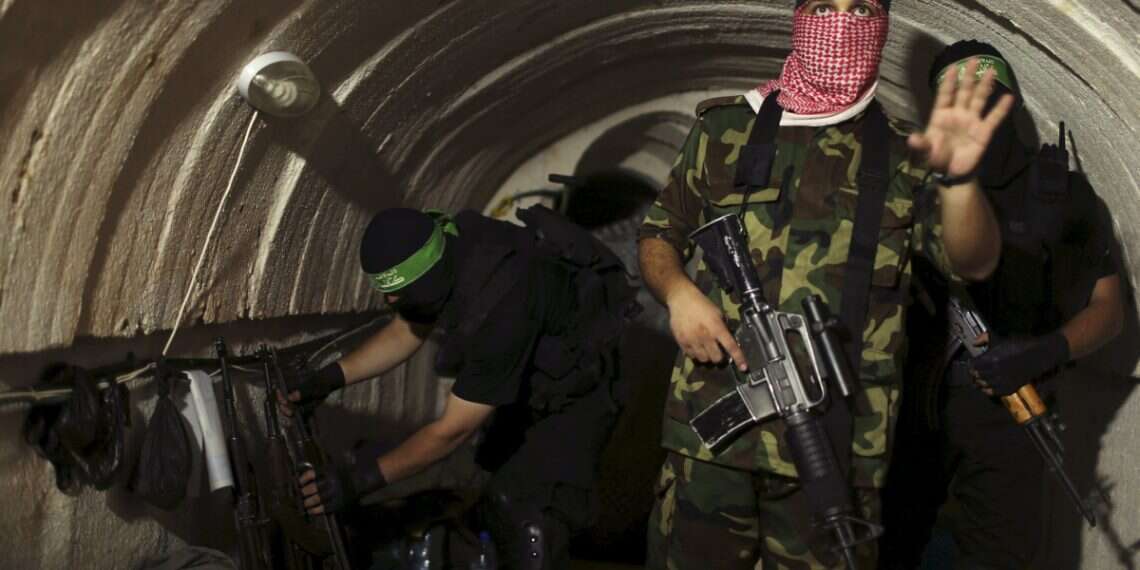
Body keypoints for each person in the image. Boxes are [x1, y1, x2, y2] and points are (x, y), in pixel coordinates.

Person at [636, 0, 1013, 568]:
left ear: (883, 25)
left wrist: (959, 181)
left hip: (835, 448)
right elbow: (660, 232)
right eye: (823, 6)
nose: (841, 23)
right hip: (712, 441)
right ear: (798, 14)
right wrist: (679, 294)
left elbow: (975, 262)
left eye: (860, 7)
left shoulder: (906, 157)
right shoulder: (726, 129)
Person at [878, 40, 1124, 570]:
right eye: (961, 102)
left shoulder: (1060, 194)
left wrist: (1046, 350)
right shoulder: (911, 183)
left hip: (1011, 414)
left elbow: (1110, 307)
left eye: (990, 98)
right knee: (879, 547)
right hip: (908, 408)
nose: (977, 115)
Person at [281, 205, 637, 569]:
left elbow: (451, 432)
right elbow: (407, 330)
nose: (390, 301)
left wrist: (358, 482)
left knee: (530, 517)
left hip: (582, 393)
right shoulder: (449, 244)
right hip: (533, 376)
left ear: (426, 277)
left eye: (398, 292)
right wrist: (329, 378)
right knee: (492, 479)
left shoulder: (500, 308)